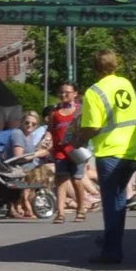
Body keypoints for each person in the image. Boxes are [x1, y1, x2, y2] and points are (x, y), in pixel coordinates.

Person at [79, 48, 136, 265]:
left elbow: (93, 126)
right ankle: (111, 240)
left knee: (111, 201)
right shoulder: (125, 84)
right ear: (115, 64)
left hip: (110, 151)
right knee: (118, 200)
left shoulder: (94, 92)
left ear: (95, 67)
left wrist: (78, 140)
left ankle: (111, 250)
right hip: (133, 149)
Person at [48, 82, 90, 223]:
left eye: (67, 92)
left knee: (77, 180)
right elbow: (52, 131)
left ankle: (81, 209)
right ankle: (60, 213)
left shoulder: (80, 111)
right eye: (61, 92)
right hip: (60, 151)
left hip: (76, 150)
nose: (64, 95)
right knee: (61, 180)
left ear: (75, 93)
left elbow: (86, 130)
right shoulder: (55, 113)